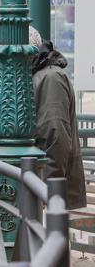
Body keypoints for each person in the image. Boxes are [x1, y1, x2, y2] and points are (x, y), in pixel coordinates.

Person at [29, 27, 86, 209]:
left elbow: (55, 136)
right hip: (45, 187)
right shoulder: (43, 75)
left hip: (49, 192)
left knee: (48, 236)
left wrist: (46, 192)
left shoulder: (50, 78)